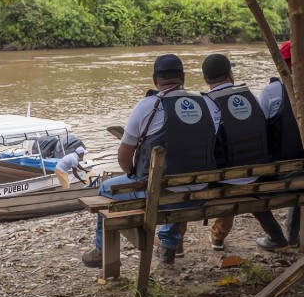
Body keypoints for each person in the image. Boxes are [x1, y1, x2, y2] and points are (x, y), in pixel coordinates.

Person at [82, 54, 219, 268]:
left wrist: (135, 177)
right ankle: (169, 245)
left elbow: (124, 158)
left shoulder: (147, 106)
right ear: (182, 77)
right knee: (172, 183)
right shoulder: (207, 103)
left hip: (161, 195)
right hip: (201, 191)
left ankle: (101, 251)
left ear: (155, 80)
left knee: (107, 189)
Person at [200, 53, 291, 253]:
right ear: (230, 74)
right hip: (258, 175)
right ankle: (275, 236)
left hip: (224, 179)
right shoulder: (250, 96)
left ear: (206, 79)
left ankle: (176, 244)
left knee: (226, 177)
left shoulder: (206, 103)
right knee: (245, 186)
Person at [256, 40, 304, 248]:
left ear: (281, 65)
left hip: (280, 171)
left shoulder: (271, 92)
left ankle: (279, 236)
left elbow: (261, 130)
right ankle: (295, 236)